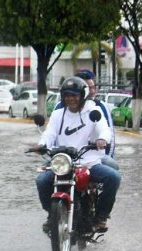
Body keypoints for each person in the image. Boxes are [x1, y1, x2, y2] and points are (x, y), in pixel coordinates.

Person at [35, 76, 121, 232]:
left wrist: (102, 139)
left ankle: (101, 216)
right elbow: (49, 134)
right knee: (41, 180)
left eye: (74, 95)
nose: (70, 99)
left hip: (88, 161)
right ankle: (51, 215)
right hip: (62, 161)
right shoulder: (58, 114)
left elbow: (104, 129)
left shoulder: (93, 111)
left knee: (113, 177)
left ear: (82, 95)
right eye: (67, 95)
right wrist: (42, 145)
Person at [55, 70, 119, 170]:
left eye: (93, 87)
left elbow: (109, 134)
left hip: (94, 156)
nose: (92, 91)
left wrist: (107, 154)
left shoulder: (100, 106)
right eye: (88, 88)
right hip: (65, 157)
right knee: (44, 176)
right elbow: (53, 133)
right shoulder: (60, 107)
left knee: (112, 168)